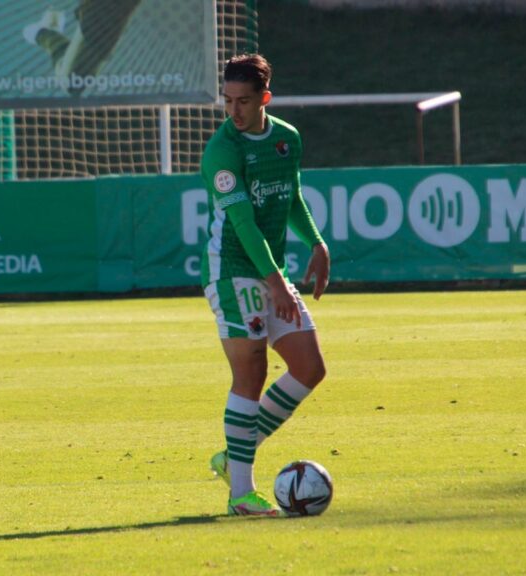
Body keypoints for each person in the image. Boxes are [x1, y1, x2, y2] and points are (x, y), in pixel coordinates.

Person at [199, 54, 330, 517]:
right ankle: (241, 493)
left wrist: (315, 240)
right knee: (251, 370)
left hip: (268, 269)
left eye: (244, 101)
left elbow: (290, 195)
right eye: (228, 101)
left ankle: (233, 456)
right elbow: (243, 223)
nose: (233, 111)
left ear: (265, 99)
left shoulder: (286, 139)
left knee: (310, 367)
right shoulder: (222, 150)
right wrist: (277, 283)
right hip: (232, 267)